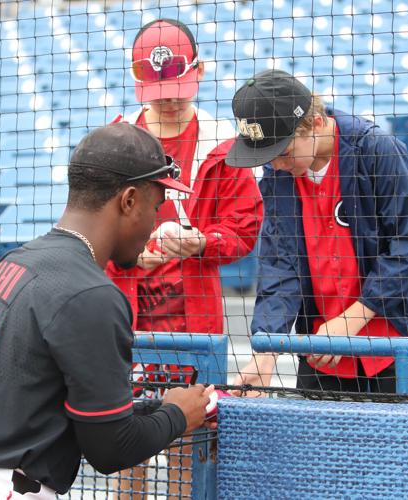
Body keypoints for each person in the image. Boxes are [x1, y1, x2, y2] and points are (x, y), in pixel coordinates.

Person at [0, 123, 215, 500]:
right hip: (2, 488)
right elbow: (110, 449)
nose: (155, 224)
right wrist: (178, 416)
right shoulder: (91, 292)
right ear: (129, 200)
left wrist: (157, 406)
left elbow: (56, 406)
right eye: (156, 206)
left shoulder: (14, 261)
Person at [106, 19, 263, 499]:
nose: (170, 99)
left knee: (187, 445)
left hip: (194, 323)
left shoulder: (220, 140)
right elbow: (96, 231)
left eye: (179, 88)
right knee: (125, 446)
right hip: (128, 321)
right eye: (159, 91)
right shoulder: (116, 141)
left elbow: (244, 229)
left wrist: (202, 242)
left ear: (200, 71)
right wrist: (133, 258)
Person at [227, 70, 408, 395]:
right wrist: (265, 351)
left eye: (283, 153)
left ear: (314, 123)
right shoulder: (276, 174)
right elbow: (279, 263)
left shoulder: (376, 149)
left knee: (392, 445)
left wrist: (351, 319)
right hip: (322, 346)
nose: (277, 165)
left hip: (392, 336)